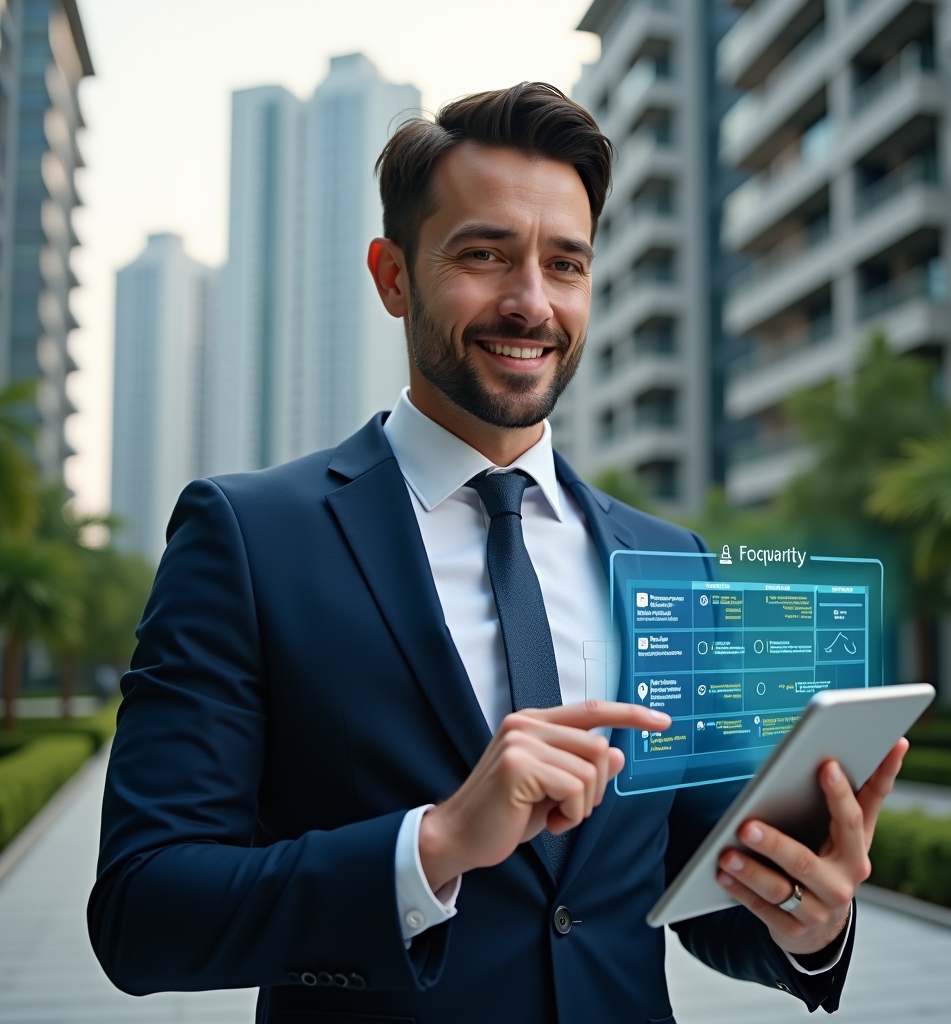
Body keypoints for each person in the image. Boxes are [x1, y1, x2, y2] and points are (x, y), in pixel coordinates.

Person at [89, 84, 907, 1024]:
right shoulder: (246, 537)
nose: (531, 303)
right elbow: (142, 911)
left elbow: (695, 879)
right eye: (484, 255)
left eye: (566, 265)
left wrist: (805, 921)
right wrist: (432, 846)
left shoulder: (669, 557)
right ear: (393, 276)